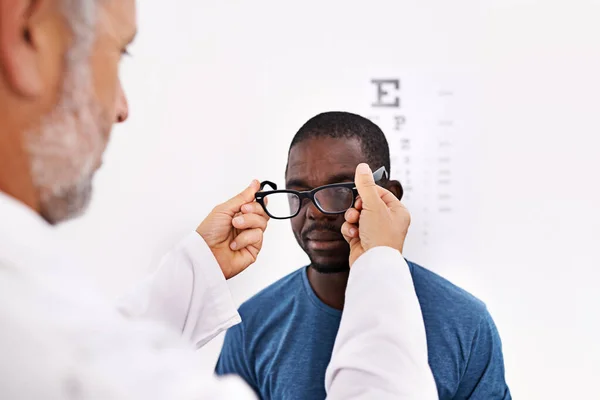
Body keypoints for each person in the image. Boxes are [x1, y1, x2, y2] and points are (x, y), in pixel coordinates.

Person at [0, 0, 437, 399]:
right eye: (118, 53)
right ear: (25, 33)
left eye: (337, 190)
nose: (122, 107)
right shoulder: (36, 332)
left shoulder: (32, 325)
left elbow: (100, 345)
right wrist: (380, 264)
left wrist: (198, 268)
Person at [216, 111, 513, 399]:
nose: (316, 212)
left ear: (388, 197)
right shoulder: (252, 325)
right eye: (300, 194)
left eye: (339, 190)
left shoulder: (464, 322)